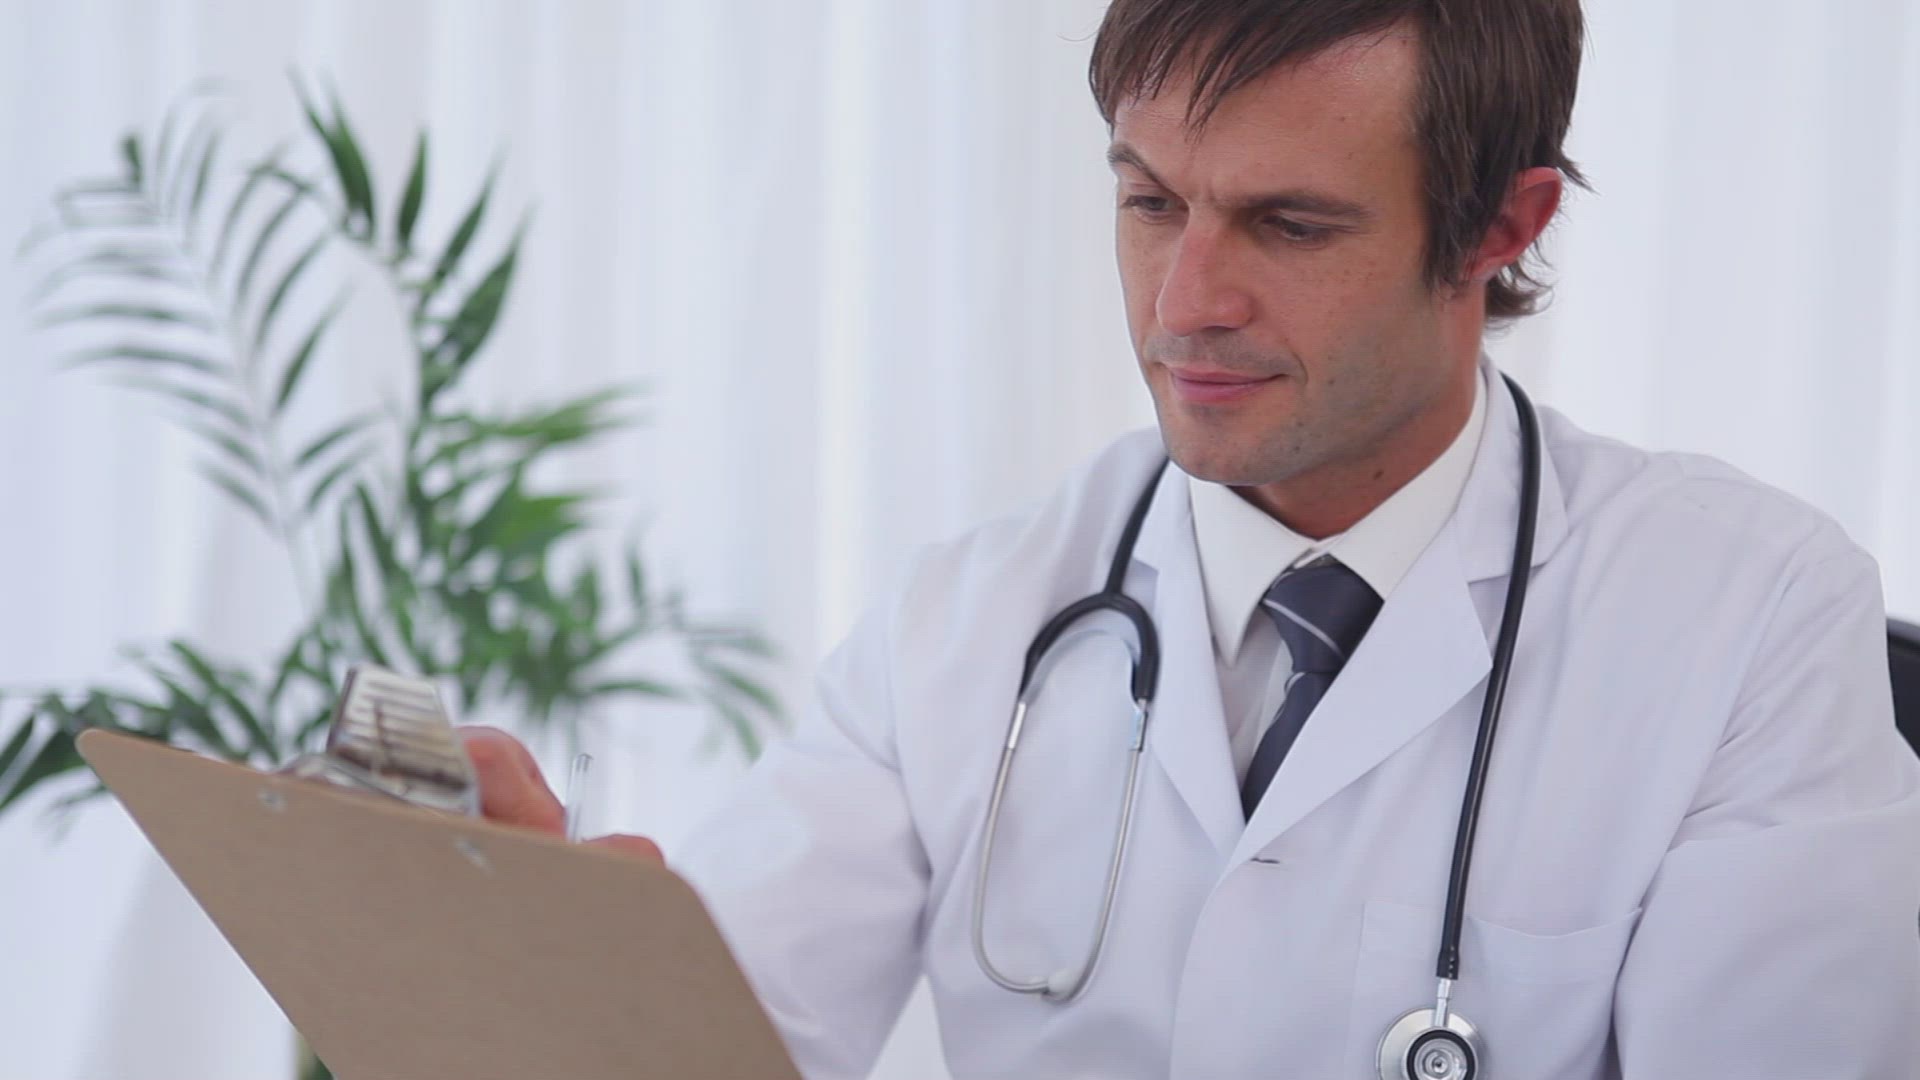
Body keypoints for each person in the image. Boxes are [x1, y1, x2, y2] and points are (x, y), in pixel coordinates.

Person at [463, 1, 1920, 1076]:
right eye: (1151, 202)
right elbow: (716, 1042)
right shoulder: (968, 620)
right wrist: (546, 980)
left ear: (1499, 226)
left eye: (1290, 226)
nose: (1184, 304)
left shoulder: (1750, 625)